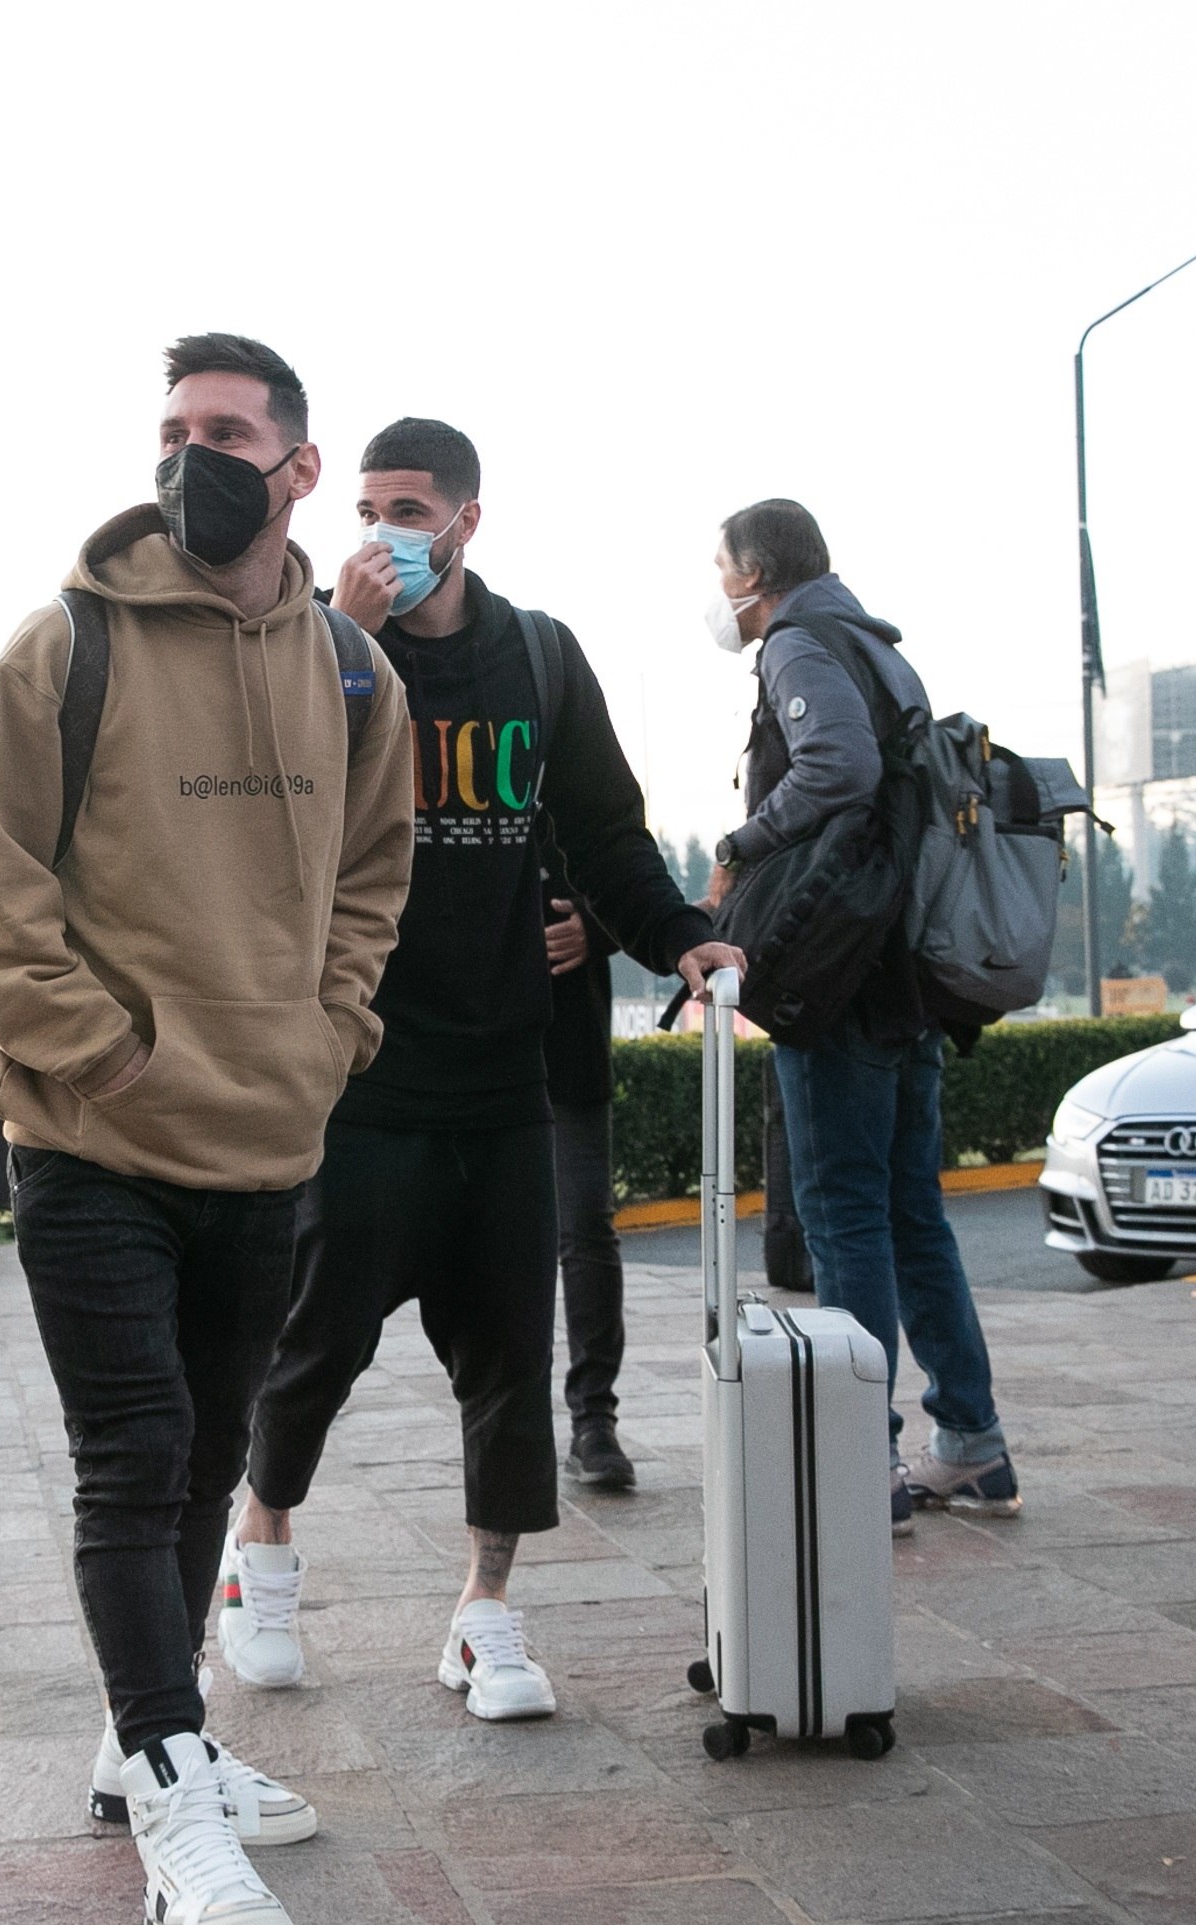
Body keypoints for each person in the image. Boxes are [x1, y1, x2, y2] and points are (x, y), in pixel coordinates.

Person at [0, 334, 415, 1925]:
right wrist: (107, 1050)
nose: (190, 455)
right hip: (91, 1140)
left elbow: (373, 882)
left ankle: (148, 1734)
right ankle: (174, 1808)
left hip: (266, 1136)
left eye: (225, 432)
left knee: (211, 1455)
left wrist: (322, 1035)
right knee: (137, 1460)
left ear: (295, 467)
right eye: (171, 430)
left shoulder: (356, 673)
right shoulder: (61, 648)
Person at [226, 418, 741, 1723]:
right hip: (362, 1070)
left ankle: (485, 1612)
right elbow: (259, 799)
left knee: (513, 1357)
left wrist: (678, 937)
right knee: (313, 1342)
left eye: (412, 508)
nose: (386, 530)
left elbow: (609, 834)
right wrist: (346, 637)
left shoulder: (538, 659)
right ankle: (262, 1556)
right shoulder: (322, 645)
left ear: (468, 519)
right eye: (368, 507)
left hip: (504, 1067)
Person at [697, 497, 1019, 1536]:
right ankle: (969, 1440)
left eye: (720, 567)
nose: (717, 588)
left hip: (840, 971)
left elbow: (840, 766)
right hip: (903, 969)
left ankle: (859, 1455)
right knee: (909, 1208)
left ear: (754, 572)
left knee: (843, 1211)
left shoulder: (798, 642)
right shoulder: (879, 646)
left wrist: (747, 841)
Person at [540, 880, 635, 1488]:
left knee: (585, 1229)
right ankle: (505, 1416)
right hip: (459, 1034)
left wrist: (597, 925)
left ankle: (594, 1421)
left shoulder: (578, 779)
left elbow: (629, 868)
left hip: (568, 1032)